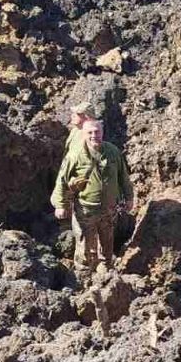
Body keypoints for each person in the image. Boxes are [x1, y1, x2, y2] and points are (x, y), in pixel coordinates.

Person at [51, 118, 134, 284]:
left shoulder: (112, 151)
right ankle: (83, 279)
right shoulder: (75, 155)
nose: (94, 135)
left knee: (108, 241)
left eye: (97, 132)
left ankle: (107, 274)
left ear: (102, 132)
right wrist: (60, 205)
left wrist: (129, 197)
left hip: (109, 209)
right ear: (83, 134)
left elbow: (123, 176)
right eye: (90, 132)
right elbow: (61, 180)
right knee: (86, 247)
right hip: (85, 210)